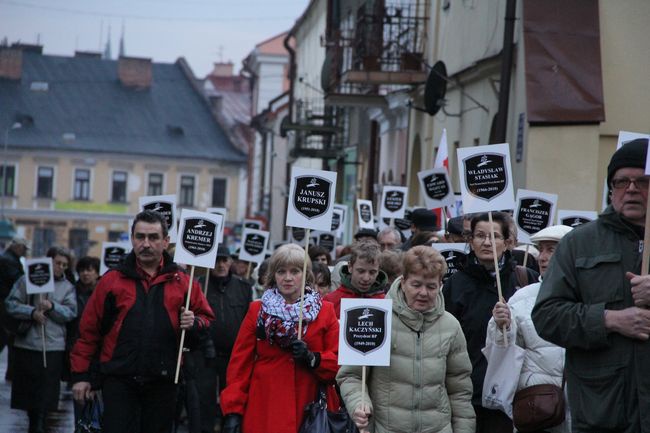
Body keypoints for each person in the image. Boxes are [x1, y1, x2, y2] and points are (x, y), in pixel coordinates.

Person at [532, 138, 650, 433]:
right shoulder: (579, 243)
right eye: (622, 181)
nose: (632, 189)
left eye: (643, 180)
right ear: (611, 189)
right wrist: (609, 319)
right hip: (603, 410)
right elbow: (547, 315)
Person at [70, 210, 215, 433]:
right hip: (118, 381)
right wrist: (81, 376)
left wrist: (194, 323)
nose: (146, 244)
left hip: (163, 382)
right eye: (140, 237)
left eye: (153, 237)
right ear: (132, 239)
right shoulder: (111, 281)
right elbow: (88, 331)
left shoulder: (183, 283)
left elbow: (206, 321)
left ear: (166, 241)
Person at [337, 246, 475, 433]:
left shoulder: (451, 326)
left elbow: (460, 390)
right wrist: (359, 404)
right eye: (416, 285)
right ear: (403, 282)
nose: (423, 293)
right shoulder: (377, 318)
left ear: (440, 285)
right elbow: (351, 375)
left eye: (431, 286)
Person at [220, 244, 340, 433]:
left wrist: (313, 358)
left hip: (308, 407)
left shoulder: (325, 312)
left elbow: (338, 362)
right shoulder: (257, 310)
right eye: (281, 271)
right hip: (265, 405)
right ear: (273, 275)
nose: (288, 278)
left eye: (295, 271)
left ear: (306, 275)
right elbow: (239, 365)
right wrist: (233, 411)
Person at [443, 211, 538, 433]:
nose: (487, 242)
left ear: (507, 243)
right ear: (471, 241)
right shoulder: (455, 286)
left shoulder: (525, 280)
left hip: (514, 393)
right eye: (479, 236)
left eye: (494, 236)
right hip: (469, 394)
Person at [487, 225, 573, 433]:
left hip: (580, 412)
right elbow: (503, 353)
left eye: (551, 250)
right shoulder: (523, 297)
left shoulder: (593, 296)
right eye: (540, 249)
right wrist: (501, 327)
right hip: (537, 410)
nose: (542, 257)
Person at [5, 246, 77, 433]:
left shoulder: (68, 287)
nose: (60, 267)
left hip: (53, 346)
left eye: (64, 265)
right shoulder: (26, 280)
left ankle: (39, 424)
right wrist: (31, 313)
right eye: (57, 263)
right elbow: (11, 304)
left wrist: (52, 306)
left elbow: (71, 312)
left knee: (46, 394)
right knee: (28, 393)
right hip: (27, 345)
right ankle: (33, 421)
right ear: (48, 261)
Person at [196, 245, 252, 433]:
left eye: (224, 260)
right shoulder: (199, 285)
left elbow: (248, 320)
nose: (220, 265)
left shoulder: (244, 288)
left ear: (230, 262)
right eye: (216, 260)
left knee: (232, 400)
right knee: (206, 401)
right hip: (206, 356)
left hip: (234, 356)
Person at [66, 255, 101, 422]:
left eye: (90, 270)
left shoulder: (103, 292)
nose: (86, 274)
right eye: (82, 270)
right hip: (76, 346)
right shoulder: (71, 291)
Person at [324, 239, 387, 318]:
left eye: (372, 272)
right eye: (361, 271)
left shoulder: (385, 302)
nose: (366, 278)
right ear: (350, 267)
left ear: (378, 271)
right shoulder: (331, 301)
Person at [0, 236, 30, 380]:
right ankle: (11, 373)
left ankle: (11, 372)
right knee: (6, 337)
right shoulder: (9, 260)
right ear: (17, 247)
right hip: (4, 306)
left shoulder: (9, 258)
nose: (25, 252)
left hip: (5, 304)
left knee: (7, 338)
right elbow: (18, 280)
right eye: (24, 249)